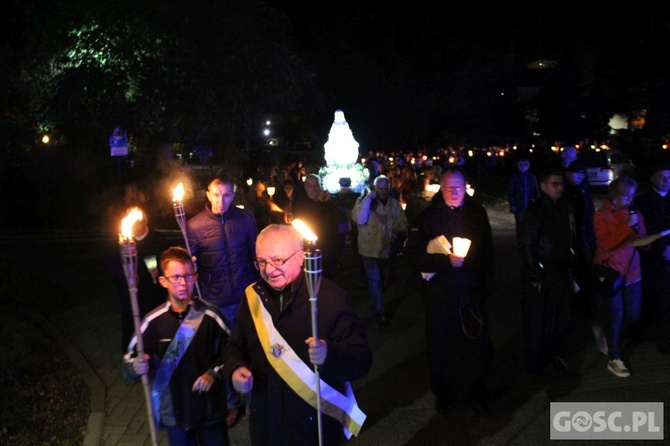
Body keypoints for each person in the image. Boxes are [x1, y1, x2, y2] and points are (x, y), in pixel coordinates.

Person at [223, 224, 372, 445]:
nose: (269, 270)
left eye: (277, 260)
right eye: (261, 262)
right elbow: (235, 347)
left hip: (314, 426)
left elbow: (362, 360)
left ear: (301, 257)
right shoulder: (252, 296)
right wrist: (235, 370)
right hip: (267, 423)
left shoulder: (331, 297)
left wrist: (329, 354)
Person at [405, 167, 494, 416]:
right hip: (440, 297)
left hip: (471, 294)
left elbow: (488, 253)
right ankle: (444, 395)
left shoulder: (477, 213)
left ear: (466, 186)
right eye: (449, 188)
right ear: (441, 188)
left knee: (474, 348)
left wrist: (487, 286)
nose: (454, 192)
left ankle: (476, 393)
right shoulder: (427, 218)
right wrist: (445, 262)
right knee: (442, 348)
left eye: (459, 187)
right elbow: (414, 257)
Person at [123, 247, 230, 446]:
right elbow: (130, 358)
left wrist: (213, 373)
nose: (183, 283)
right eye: (176, 277)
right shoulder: (152, 321)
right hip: (175, 413)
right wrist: (134, 367)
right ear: (163, 281)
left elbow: (232, 353)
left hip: (209, 410)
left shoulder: (211, 315)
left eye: (188, 276)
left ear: (195, 277)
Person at [186, 174, 258, 427]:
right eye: (216, 194)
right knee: (225, 352)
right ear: (207, 194)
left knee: (251, 347)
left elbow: (254, 255)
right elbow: (190, 262)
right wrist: (190, 266)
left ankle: (252, 400)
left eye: (226, 194)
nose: (221, 200)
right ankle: (231, 403)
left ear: (234, 194)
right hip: (216, 301)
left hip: (245, 295)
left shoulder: (245, 219)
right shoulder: (194, 226)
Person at [518, 169, 576, 376]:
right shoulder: (534, 212)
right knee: (538, 320)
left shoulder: (563, 208)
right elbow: (527, 246)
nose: (559, 187)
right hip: (543, 275)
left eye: (561, 184)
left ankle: (552, 354)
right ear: (543, 186)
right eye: (554, 184)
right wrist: (535, 274)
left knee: (557, 317)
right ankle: (535, 362)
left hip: (560, 271)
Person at [594, 176, 647, 377]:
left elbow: (641, 240)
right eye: (625, 195)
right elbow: (606, 244)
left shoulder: (636, 214)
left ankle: (606, 333)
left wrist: (648, 239)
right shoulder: (602, 215)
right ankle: (614, 358)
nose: (628, 199)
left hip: (634, 272)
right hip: (611, 272)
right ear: (614, 194)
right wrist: (626, 226)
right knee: (616, 316)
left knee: (633, 315)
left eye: (632, 196)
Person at [104, 207, 171, 352]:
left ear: (144, 222)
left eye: (137, 223)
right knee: (132, 328)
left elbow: (169, 261)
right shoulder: (121, 242)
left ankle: (157, 358)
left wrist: (160, 272)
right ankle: (133, 357)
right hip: (131, 296)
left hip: (155, 296)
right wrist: (125, 278)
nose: (134, 228)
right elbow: (110, 266)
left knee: (156, 327)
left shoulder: (158, 240)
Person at [351, 175, 408, 326]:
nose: (383, 192)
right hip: (369, 250)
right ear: (375, 188)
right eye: (380, 188)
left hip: (386, 250)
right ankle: (379, 312)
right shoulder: (365, 202)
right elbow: (359, 218)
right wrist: (368, 199)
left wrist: (391, 224)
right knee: (374, 281)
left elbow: (403, 224)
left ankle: (378, 301)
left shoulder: (394, 204)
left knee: (383, 281)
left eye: (385, 188)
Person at [634, 163, 670, 353]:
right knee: (656, 295)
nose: (666, 181)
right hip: (652, 254)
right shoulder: (642, 201)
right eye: (662, 177)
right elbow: (640, 229)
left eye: (669, 177)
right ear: (653, 178)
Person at [292, 174, 349, 279]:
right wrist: (321, 203)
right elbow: (308, 218)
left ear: (321, 185)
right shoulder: (300, 202)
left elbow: (341, 217)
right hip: (311, 250)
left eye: (316, 185)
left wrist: (328, 202)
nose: (314, 189)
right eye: (310, 186)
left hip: (331, 248)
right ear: (305, 188)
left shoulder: (331, 199)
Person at [508, 158, 540, 239]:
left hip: (530, 204)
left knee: (530, 223)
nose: (523, 167)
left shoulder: (532, 177)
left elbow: (536, 191)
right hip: (519, 205)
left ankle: (530, 240)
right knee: (520, 223)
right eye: (521, 165)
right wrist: (513, 205)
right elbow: (511, 192)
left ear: (528, 166)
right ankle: (520, 240)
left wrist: (538, 203)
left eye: (525, 165)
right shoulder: (515, 177)